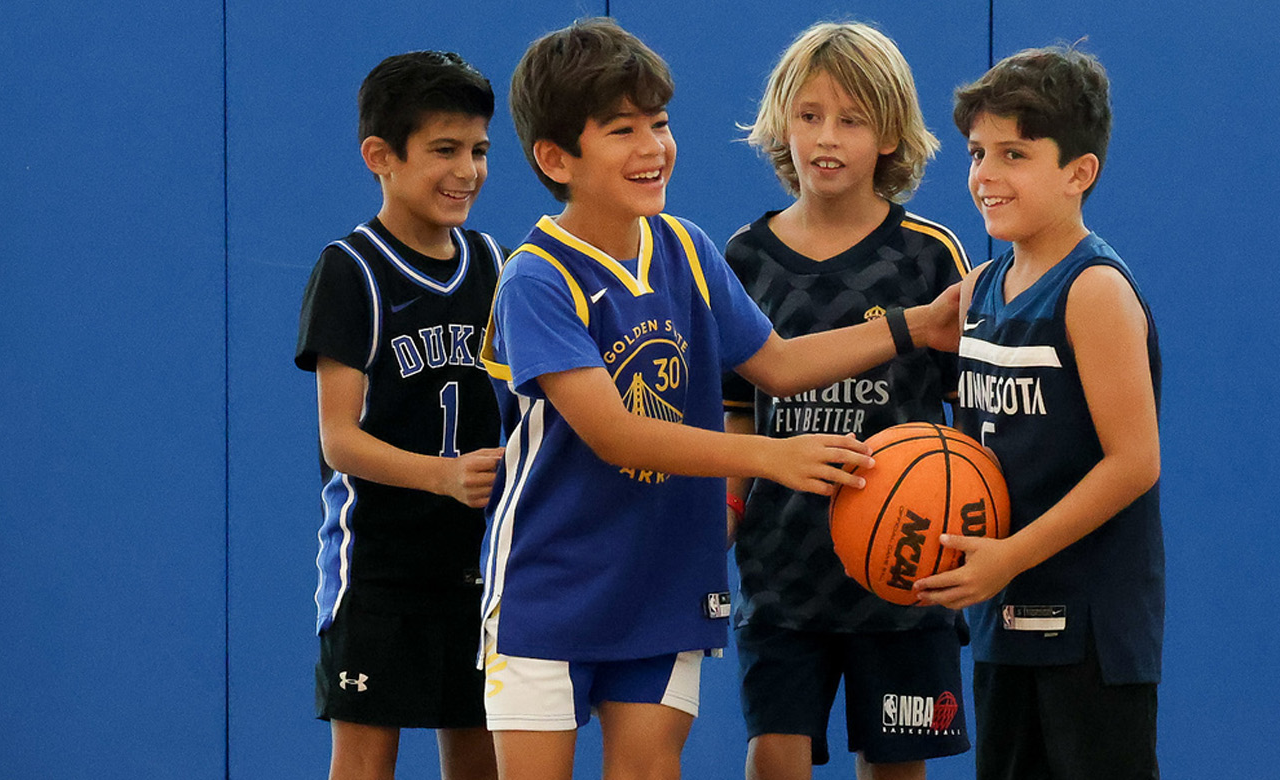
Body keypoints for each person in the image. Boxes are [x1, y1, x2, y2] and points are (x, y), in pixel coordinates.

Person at [476, 18, 959, 780]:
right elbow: (616, 434)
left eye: (659, 124)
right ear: (555, 157)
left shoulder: (688, 249)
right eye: (622, 131)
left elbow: (779, 364)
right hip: (551, 585)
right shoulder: (536, 278)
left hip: (665, 581)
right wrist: (771, 457)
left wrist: (916, 325)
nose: (652, 147)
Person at [722, 21, 972, 780]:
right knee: (773, 756)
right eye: (809, 115)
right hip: (781, 571)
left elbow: (968, 417)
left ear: (890, 135)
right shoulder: (744, 258)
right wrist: (726, 515)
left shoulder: (929, 255)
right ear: (781, 123)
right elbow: (737, 412)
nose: (826, 138)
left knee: (895, 766)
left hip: (905, 568)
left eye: (851, 119)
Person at [912, 45, 1164, 780]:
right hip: (1002, 617)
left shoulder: (1093, 289)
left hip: (1089, 630)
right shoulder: (980, 288)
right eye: (977, 153)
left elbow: (1134, 462)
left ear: (1078, 172)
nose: (985, 175)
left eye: (1014, 154)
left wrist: (1011, 555)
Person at [294, 50, 505, 780]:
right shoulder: (351, 269)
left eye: (479, 150)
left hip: (478, 566)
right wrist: (441, 476)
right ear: (380, 156)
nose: (467, 170)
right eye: (444, 150)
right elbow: (339, 440)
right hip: (378, 572)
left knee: (480, 757)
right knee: (364, 761)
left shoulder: (495, 264)